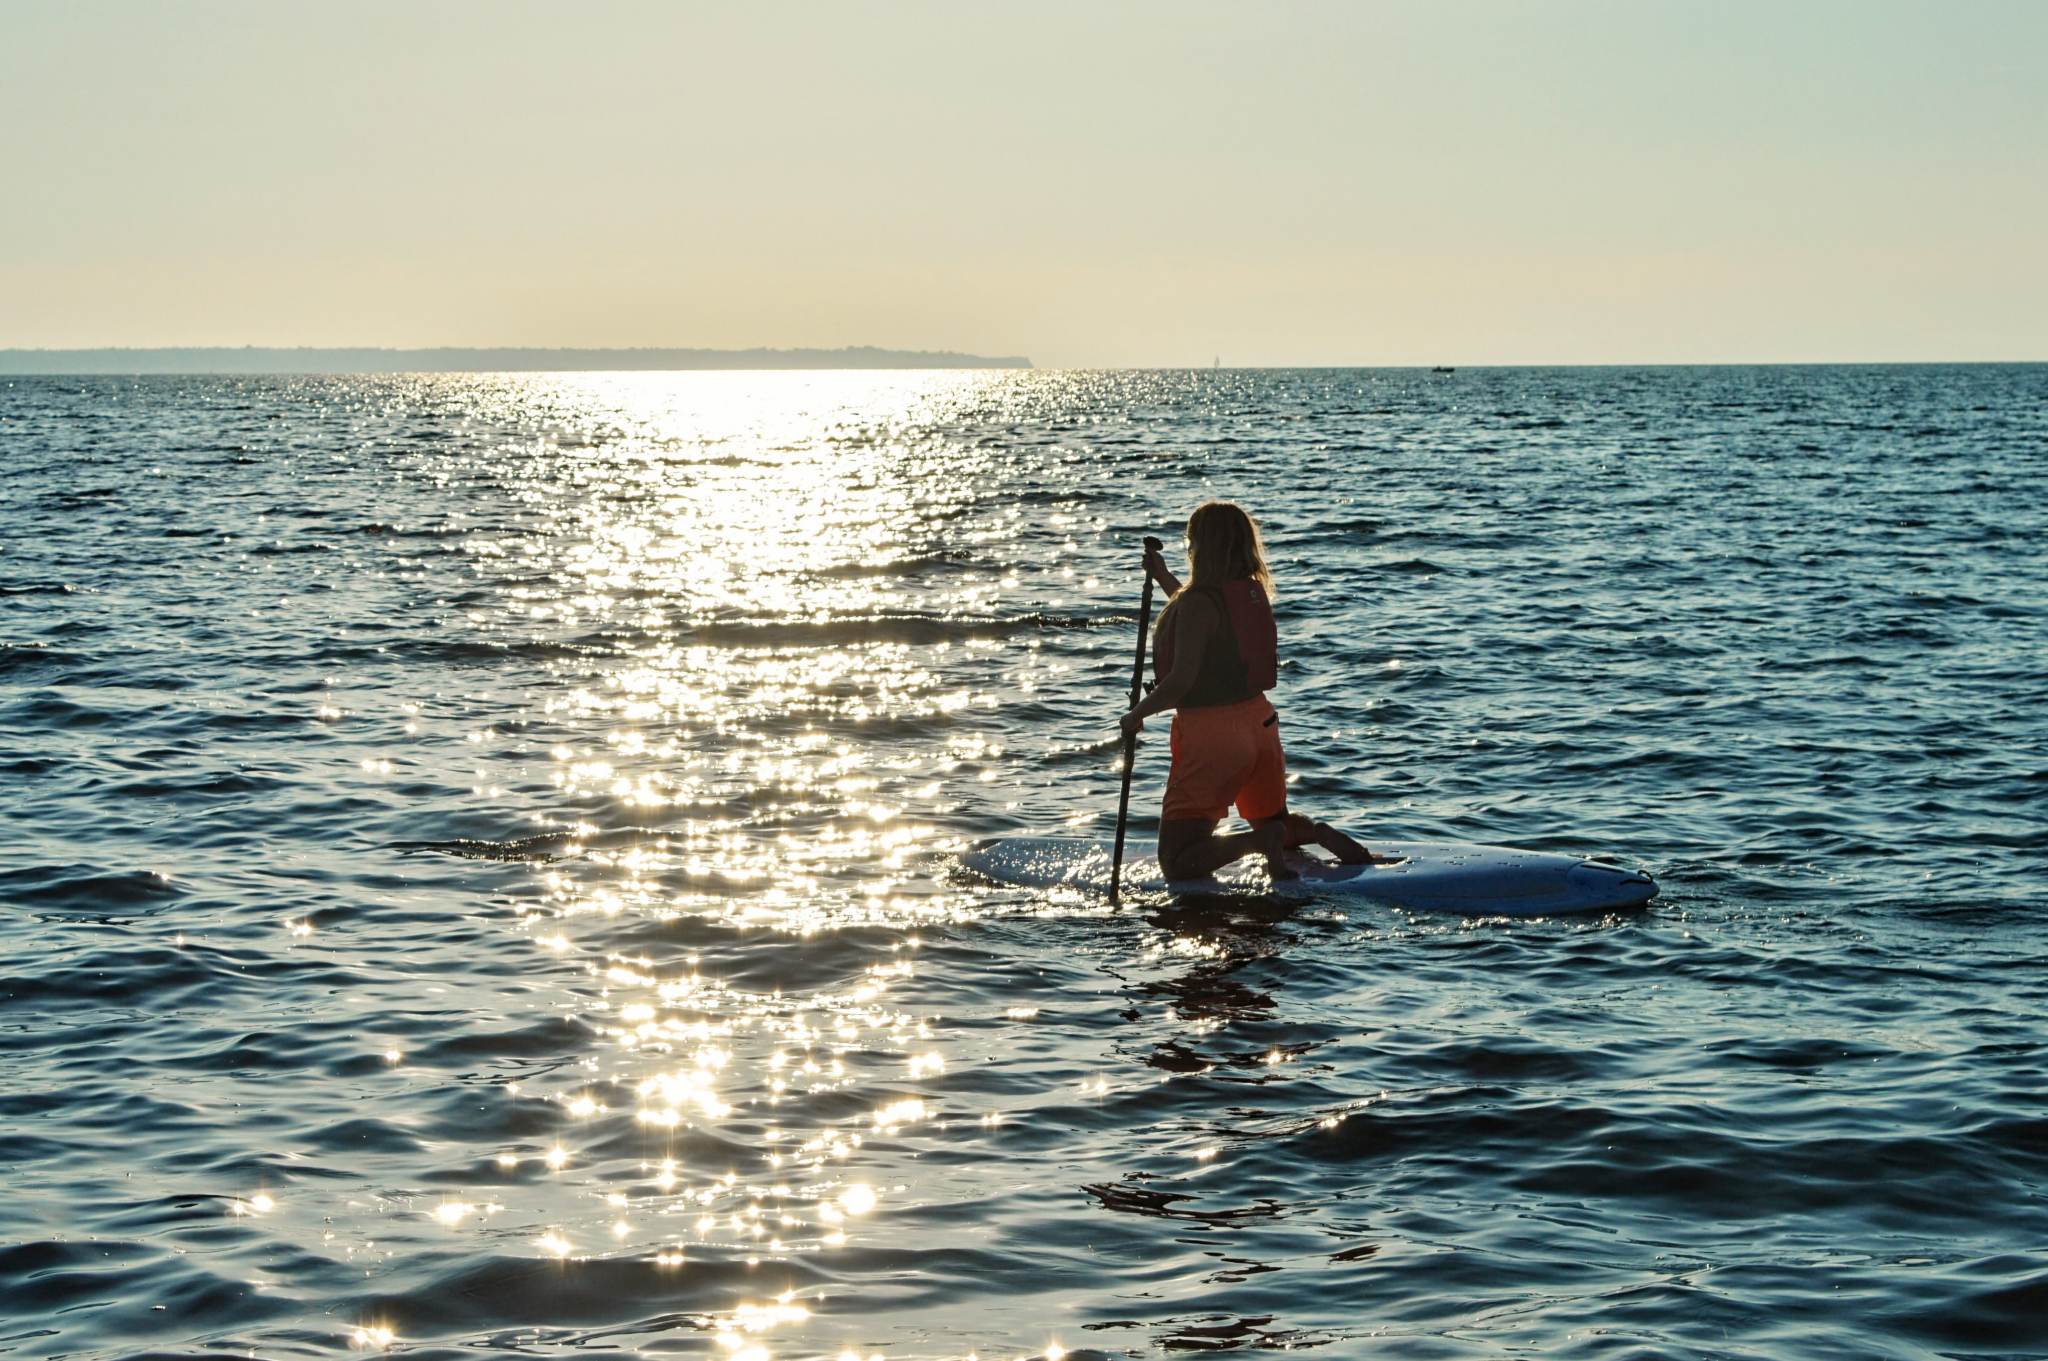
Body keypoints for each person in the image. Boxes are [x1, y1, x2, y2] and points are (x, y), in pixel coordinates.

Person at [1118, 500, 1382, 881]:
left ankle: (1258, 842)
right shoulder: (1248, 593)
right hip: (1259, 725)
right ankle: (1312, 832)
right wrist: (1162, 577)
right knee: (1271, 818)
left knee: (1177, 861)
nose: (1188, 549)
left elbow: (1181, 682)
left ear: (1203, 547)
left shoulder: (1198, 603)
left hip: (1212, 738)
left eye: (1191, 541)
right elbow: (1203, 621)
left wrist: (1135, 715)